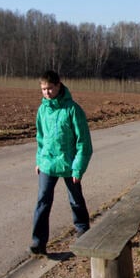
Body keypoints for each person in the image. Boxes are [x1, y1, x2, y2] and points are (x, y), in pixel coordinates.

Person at [29, 70, 93, 255]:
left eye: (49, 88)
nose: (47, 93)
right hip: (47, 164)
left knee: (76, 201)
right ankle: (38, 241)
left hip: (69, 165)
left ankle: (83, 232)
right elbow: (41, 138)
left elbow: (84, 143)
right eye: (43, 89)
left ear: (58, 85)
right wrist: (39, 161)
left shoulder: (73, 110)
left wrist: (78, 169)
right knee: (43, 202)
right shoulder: (43, 110)